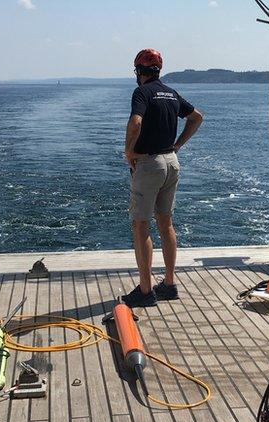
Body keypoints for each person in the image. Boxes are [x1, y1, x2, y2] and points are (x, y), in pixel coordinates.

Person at [121, 48, 203, 307]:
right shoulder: (171, 93)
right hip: (171, 162)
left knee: (140, 225)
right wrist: (178, 145)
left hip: (150, 164)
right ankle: (169, 284)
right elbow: (197, 117)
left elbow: (136, 123)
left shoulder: (142, 92)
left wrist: (128, 151)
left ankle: (145, 291)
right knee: (165, 223)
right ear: (158, 70)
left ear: (138, 71)